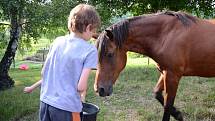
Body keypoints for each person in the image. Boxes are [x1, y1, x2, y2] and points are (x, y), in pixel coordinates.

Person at [24, 4, 101, 121]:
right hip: (68, 108)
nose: (93, 35)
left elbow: (44, 72)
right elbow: (81, 87)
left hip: (45, 102)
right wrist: (82, 95)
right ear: (88, 27)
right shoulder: (90, 50)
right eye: (93, 31)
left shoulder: (57, 41)